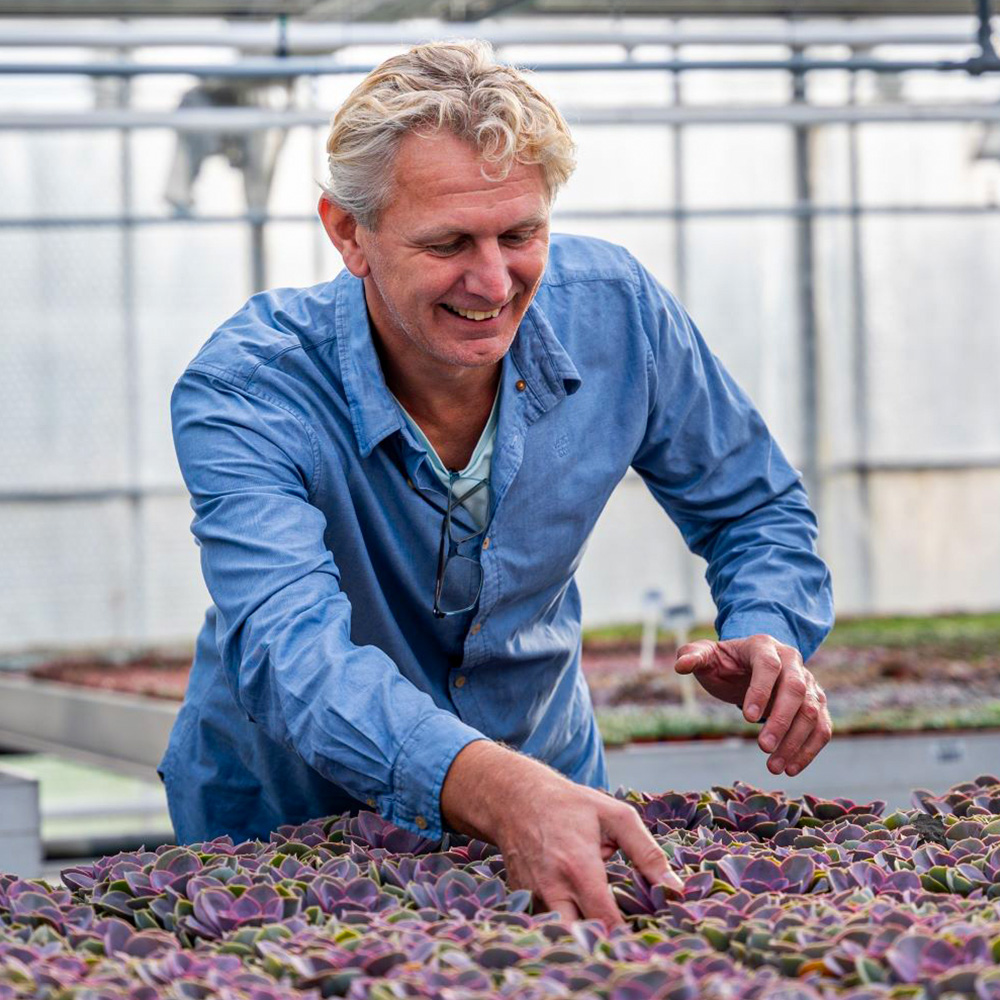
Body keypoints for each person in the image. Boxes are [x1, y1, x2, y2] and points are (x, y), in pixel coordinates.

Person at [161, 39, 834, 929]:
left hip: (546, 769)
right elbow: (294, 657)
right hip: (291, 806)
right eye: (447, 243)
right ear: (348, 232)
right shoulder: (249, 390)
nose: (492, 281)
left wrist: (766, 626)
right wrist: (490, 786)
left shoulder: (616, 313)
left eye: (520, 234)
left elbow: (752, 504)